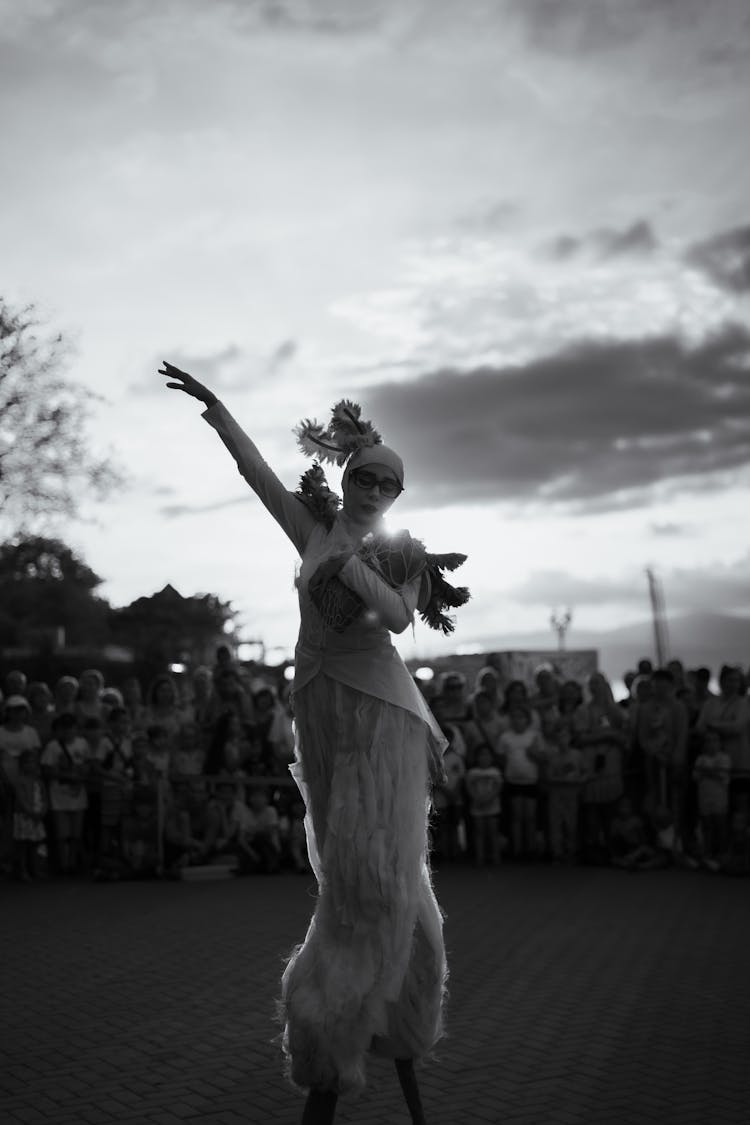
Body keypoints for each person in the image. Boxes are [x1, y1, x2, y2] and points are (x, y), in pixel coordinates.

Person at [160, 360, 470, 1124]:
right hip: (321, 711)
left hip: (379, 714)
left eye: (385, 486)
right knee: (347, 878)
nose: (371, 492)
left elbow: (400, 618)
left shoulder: (402, 553)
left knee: (372, 880)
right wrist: (219, 410)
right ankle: (378, 1024)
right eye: (364, 479)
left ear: (397, 496)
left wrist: (354, 568)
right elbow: (258, 474)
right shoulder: (314, 526)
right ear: (348, 476)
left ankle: (337, 1029)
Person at [41, 712, 91, 875]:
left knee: (76, 833)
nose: (69, 731)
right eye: (65, 728)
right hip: (59, 793)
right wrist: (67, 775)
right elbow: (47, 770)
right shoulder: (53, 747)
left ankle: (72, 863)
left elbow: (88, 764)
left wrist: (82, 774)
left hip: (78, 792)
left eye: (72, 728)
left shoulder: (83, 743)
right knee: (62, 833)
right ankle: (63, 864)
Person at [498, 704, 545, 858]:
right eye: (515, 717)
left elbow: (542, 758)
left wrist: (533, 754)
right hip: (513, 780)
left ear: (527, 720)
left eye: (521, 717)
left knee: (530, 817)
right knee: (517, 817)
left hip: (531, 780)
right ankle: (518, 850)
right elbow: (502, 759)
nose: (518, 721)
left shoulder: (534, 736)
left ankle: (530, 849)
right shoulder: (505, 737)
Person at [692, 729, 731, 871]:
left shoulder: (725, 758)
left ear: (720, 743)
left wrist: (707, 771)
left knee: (720, 827)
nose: (711, 744)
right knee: (707, 827)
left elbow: (722, 777)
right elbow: (696, 776)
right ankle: (708, 856)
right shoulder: (700, 758)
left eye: (715, 740)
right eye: (708, 740)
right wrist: (711, 771)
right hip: (704, 798)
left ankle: (722, 856)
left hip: (719, 799)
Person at [12, 748, 48, 881]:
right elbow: (21, 799)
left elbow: (44, 797)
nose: (30, 765)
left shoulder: (38, 781)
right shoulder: (20, 780)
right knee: (23, 845)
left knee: (35, 844)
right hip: (24, 816)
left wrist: (43, 810)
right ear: (22, 765)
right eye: (27, 763)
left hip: (38, 815)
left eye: (33, 762)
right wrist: (31, 812)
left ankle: (35, 869)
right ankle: (23, 870)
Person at [464, 743, 503, 866]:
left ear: (491, 757)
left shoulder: (495, 771)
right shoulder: (472, 772)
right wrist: (477, 798)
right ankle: (480, 857)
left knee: (493, 831)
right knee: (479, 832)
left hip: (493, 805)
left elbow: (498, 787)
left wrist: (488, 798)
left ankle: (496, 857)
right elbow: (469, 787)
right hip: (477, 805)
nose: (484, 758)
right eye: (481, 755)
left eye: (487, 755)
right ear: (476, 757)